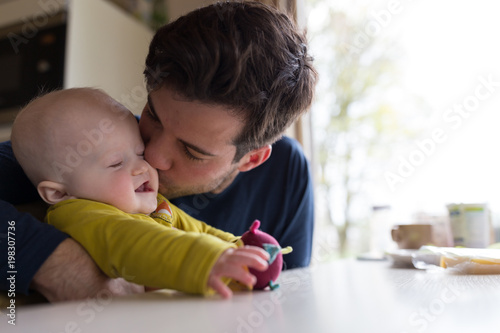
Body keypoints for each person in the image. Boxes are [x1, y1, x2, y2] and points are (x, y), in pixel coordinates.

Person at [0, 1, 317, 301]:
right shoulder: (85, 147)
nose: (151, 156)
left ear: (252, 159)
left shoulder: (287, 174)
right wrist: (52, 261)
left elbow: (286, 297)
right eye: (152, 114)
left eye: (192, 151)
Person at [10, 87, 269, 299]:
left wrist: (239, 246)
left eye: (138, 153)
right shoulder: (79, 213)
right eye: (115, 163)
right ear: (57, 194)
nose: (144, 166)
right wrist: (210, 259)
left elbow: (195, 229)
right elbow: (136, 244)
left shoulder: (150, 203)